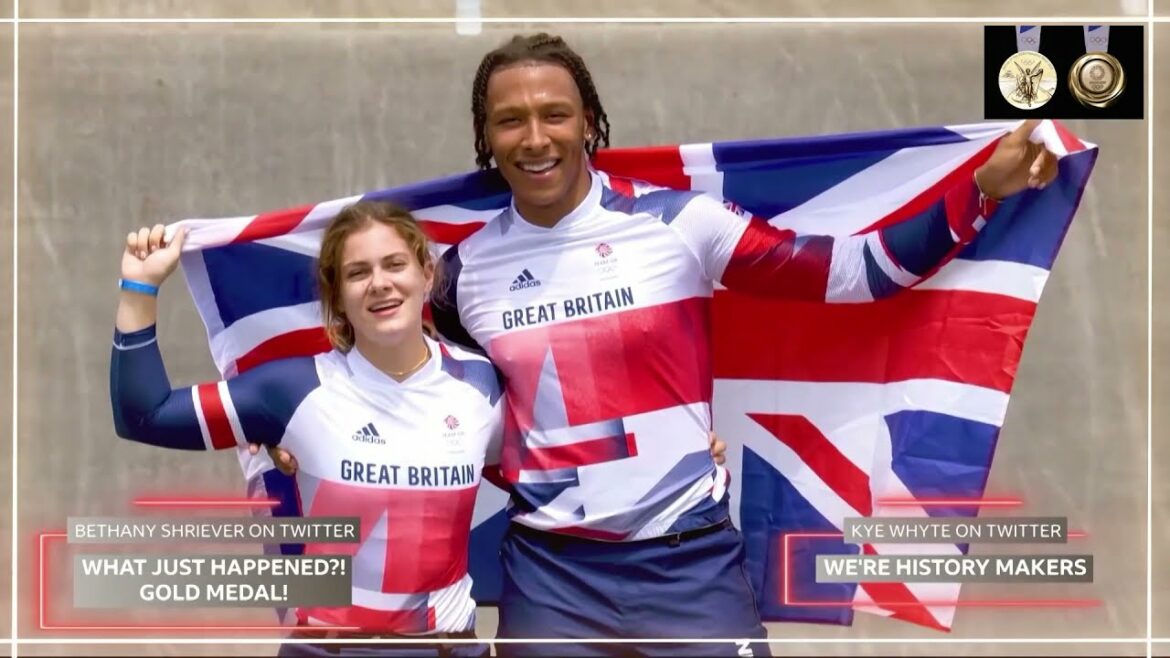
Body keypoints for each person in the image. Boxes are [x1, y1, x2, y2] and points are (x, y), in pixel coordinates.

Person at [427, 33, 1060, 658]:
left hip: (690, 563)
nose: (535, 138)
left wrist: (981, 190)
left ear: (588, 121)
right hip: (551, 577)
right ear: (487, 135)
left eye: (554, 115)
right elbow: (442, 407)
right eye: (510, 120)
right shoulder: (461, 275)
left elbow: (854, 272)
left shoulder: (681, 223)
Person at [110, 201, 501, 658]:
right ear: (336, 296)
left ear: (427, 274)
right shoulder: (292, 390)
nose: (379, 283)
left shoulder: (481, 383)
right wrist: (139, 287)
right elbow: (145, 414)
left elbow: (536, 472)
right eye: (357, 273)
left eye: (395, 264)